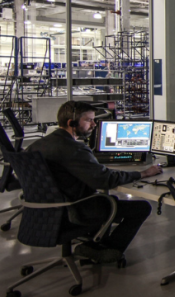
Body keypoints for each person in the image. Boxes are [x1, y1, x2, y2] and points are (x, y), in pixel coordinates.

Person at [26, 101, 162, 263]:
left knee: (110, 200)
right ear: (71, 123)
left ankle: (94, 244)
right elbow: (106, 180)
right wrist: (143, 173)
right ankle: (107, 249)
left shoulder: (36, 145)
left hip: (44, 213)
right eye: (89, 120)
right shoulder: (74, 149)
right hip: (74, 211)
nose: (94, 124)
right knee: (141, 207)